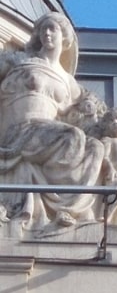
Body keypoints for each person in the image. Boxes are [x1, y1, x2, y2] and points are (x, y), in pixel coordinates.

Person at [0, 13, 106, 228]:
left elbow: (84, 115)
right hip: (19, 129)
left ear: (65, 37)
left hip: (45, 133)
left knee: (96, 148)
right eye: (43, 29)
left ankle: (70, 208)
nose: (47, 33)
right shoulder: (20, 60)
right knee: (72, 135)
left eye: (52, 29)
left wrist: (92, 111)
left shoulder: (69, 82)